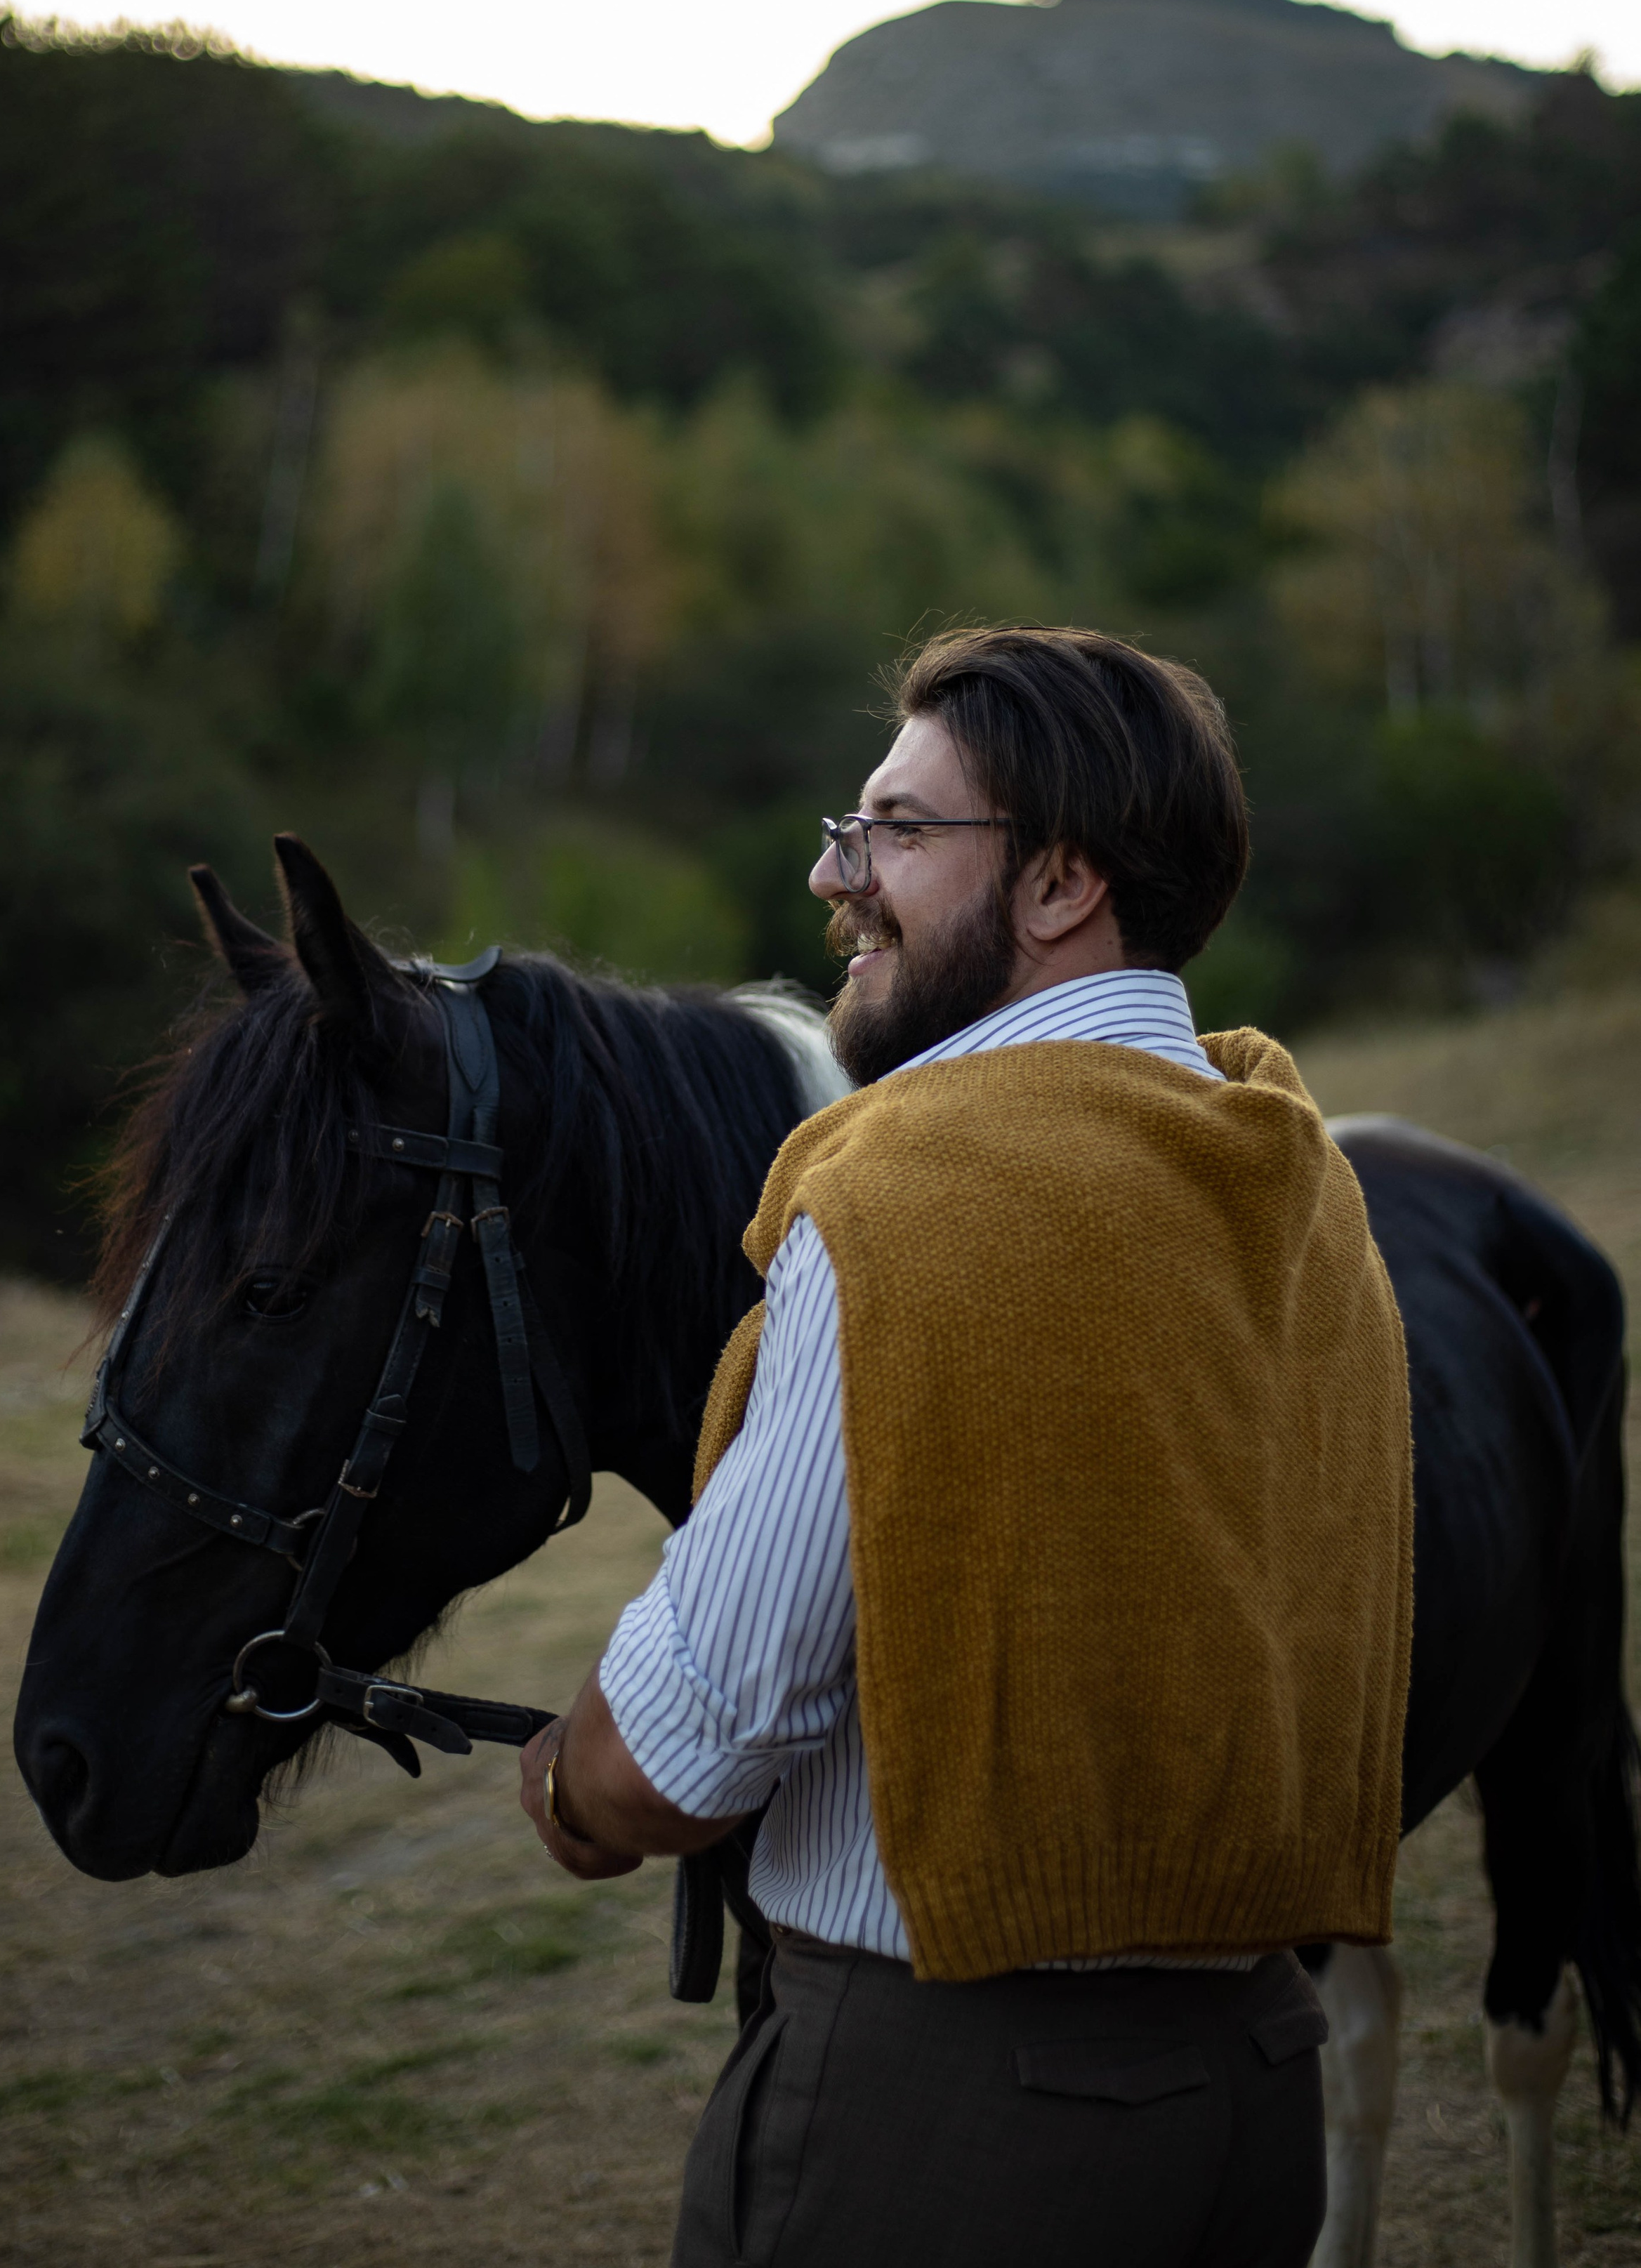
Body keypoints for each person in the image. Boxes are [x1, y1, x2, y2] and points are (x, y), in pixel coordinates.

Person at [517, 625, 1413, 2268]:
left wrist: (566, 1775)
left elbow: (673, 1751)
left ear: (1061, 881)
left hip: (943, 2127)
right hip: (1255, 2088)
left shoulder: (904, 1192)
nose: (831, 879)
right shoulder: (1294, 1185)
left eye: (893, 830)